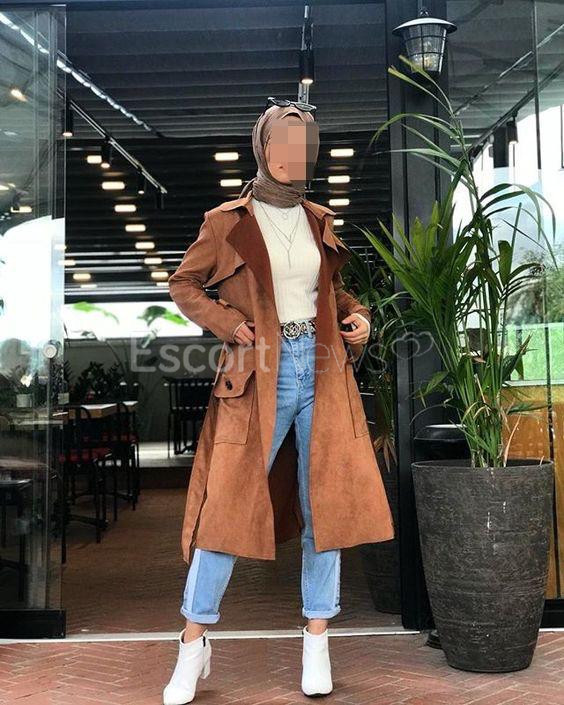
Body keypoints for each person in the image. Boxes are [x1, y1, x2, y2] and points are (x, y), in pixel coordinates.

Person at [163, 99, 395, 704]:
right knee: (226, 507)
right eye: (284, 142)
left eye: (305, 144)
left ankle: (316, 639)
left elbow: (331, 291)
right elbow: (183, 283)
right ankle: (192, 643)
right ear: (263, 148)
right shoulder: (227, 221)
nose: (296, 154)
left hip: (323, 368)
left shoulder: (319, 219)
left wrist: (358, 316)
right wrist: (227, 322)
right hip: (257, 373)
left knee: (327, 506)